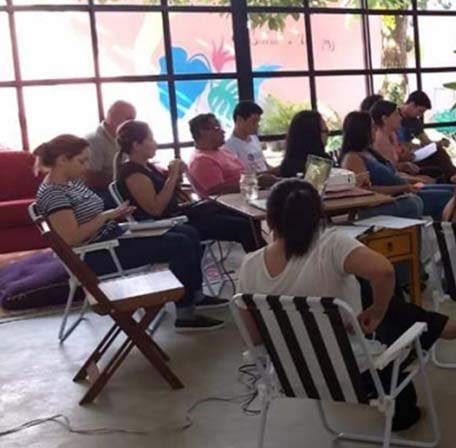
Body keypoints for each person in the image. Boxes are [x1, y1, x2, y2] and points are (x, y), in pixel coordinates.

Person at [237, 179, 456, 431]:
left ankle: (433, 325)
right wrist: (377, 313)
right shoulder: (331, 244)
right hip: (355, 372)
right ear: (318, 215)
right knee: (384, 317)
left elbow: (254, 337)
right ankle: (426, 346)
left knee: (369, 301)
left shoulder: (250, 266)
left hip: (290, 374)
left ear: (270, 220)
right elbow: (384, 272)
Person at [33, 134, 226, 332]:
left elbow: (87, 217)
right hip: (96, 254)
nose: (87, 166)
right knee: (180, 243)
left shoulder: (71, 183)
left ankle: (195, 296)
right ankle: (185, 315)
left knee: (188, 233)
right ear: (62, 160)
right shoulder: (53, 194)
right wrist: (106, 216)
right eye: (81, 161)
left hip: (111, 238)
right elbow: (72, 237)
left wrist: (115, 215)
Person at [115, 120, 263, 252]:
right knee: (242, 226)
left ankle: (262, 259)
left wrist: (175, 175)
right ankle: (261, 263)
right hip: (164, 223)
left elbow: (169, 190)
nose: (156, 144)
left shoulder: (148, 167)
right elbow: (156, 209)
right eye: (151, 139)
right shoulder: (133, 173)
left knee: (246, 218)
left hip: (179, 215)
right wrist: (172, 175)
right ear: (136, 145)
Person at [338, 111, 453, 220]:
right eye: (373, 127)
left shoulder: (369, 151)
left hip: (405, 190)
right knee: (449, 198)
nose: (376, 129)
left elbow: (393, 172)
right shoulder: (353, 158)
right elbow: (365, 191)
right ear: (362, 131)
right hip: (391, 198)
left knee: (455, 190)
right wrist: (403, 188)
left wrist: (408, 175)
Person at [187, 114, 276, 197]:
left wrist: (270, 174)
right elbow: (217, 190)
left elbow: (243, 176)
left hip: (244, 196)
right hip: (228, 205)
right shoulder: (201, 160)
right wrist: (256, 182)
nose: (223, 131)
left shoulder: (222, 151)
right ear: (203, 132)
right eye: (217, 128)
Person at [397, 91, 456, 183]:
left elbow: (426, 142)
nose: (420, 115)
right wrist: (415, 146)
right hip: (401, 156)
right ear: (412, 104)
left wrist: (439, 143)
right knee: (439, 159)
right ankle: (455, 177)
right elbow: (400, 144)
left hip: (412, 154)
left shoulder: (415, 122)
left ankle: (453, 177)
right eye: (420, 111)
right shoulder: (394, 116)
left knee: (439, 152)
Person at [84, 100, 136, 205]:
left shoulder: (125, 137)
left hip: (119, 187)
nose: (132, 123)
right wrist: (125, 177)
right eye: (129, 118)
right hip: (99, 193)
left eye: (133, 119)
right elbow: (89, 177)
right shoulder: (94, 141)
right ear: (112, 117)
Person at [370, 100, 433, 183]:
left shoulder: (392, 134)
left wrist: (404, 165)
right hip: (398, 185)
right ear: (384, 119)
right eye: (396, 115)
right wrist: (417, 180)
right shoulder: (380, 140)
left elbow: (393, 167)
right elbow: (390, 175)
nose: (400, 118)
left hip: (402, 178)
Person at [223, 101, 273, 175]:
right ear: (239, 120)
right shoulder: (229, 147)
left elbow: (265, 165)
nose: (257, 125)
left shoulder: (254, 138)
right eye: (254, 121)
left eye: (258, 122)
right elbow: (240, 176)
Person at [277, 110, 329, 179]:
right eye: (325, 131)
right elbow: (315, 184)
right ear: (312, 135)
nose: (328, 134)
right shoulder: (321, 162)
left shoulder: (287, 164)